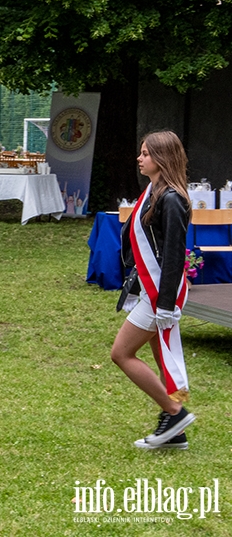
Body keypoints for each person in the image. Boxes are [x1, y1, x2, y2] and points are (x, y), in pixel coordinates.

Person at [112, 131, 195, 450]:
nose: (139, 158)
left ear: (161, 158)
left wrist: (163, 305)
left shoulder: (171, 198)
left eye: (145, 153)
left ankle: (175, 412)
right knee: (164, 359)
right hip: (154, 288)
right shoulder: (154, 192)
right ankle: (175, 432)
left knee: (121, 353)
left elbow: (175, 253)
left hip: (162, 291)